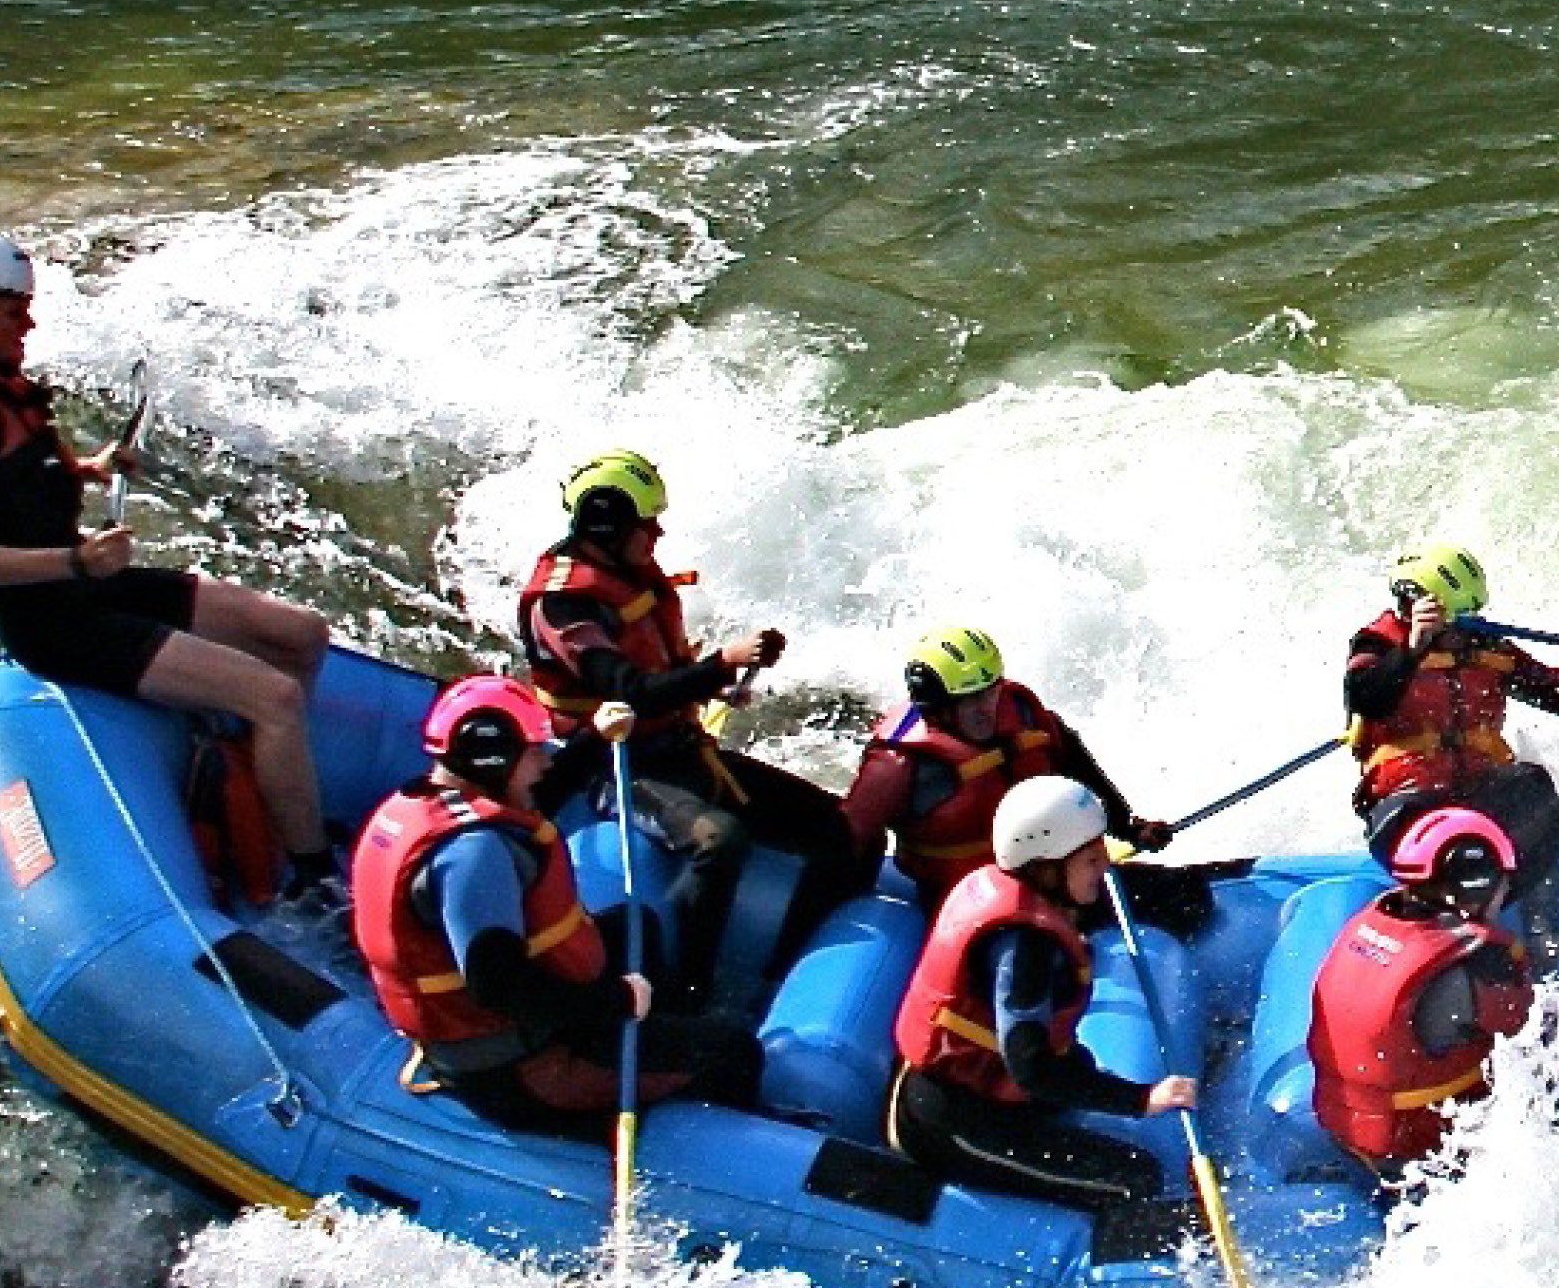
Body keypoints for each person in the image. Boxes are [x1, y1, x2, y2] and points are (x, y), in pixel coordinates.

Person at [0, 230, 342, 903]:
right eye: (13, 312)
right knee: (277, 696)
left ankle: (256, 768)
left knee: (301, 634)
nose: (28, 324)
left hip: (91, 585)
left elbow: (23, 479)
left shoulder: (3, 387)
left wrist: (91, 468)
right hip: (55, 623)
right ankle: (314, 883)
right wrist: (74, 559)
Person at [516, 448, 868, 1001]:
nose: (657, 532)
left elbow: (659, 675)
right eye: (646, 521)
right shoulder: (563, 605)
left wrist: (716, 682)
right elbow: (627, 690)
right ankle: (685, 989)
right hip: (615, 763)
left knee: (840, 832)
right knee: (719, 840)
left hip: (677, 746)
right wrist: (718, 666)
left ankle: (783, 978)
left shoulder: (626, 573)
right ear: (607, 522)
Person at [353, 674, 760, 1140]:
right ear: (494, 758)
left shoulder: (425, 806)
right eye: (532, 751)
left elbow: (544, 788)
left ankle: (660, 1032)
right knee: (732, 1052)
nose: (544, 761)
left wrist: (597, 736)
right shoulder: (474, 854)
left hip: (532, 1026)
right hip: (520, 1066)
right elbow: (500, 986)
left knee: (634, 925)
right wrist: (617, 1001)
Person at [887, 776, 1193, 1213]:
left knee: (1081, 1071)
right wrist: (1142, 1100)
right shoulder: (1024, 948)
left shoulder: (1019, 895)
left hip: (983, 1090)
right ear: (1047, 867)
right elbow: (1031, 1067)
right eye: (1090, 859)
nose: (1105, 866)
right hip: (954, 1120)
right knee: (1134, 1179)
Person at [1344, 544, 1559, 930]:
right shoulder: (1378, 646)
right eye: (1458, 619)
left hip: (1475, 795)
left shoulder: (1488, 650)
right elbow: (1367, 698)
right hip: (1409, 805)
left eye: (1471, 617)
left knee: (1529, 782)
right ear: (1417, 607)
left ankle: (1542, 928)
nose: (1467, 630)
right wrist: (1412, 650)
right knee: (1471, 857)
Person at [843, 624, 1215, 931]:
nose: (986, 711)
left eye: (990, 694)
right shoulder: (898, 766)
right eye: (970, 702)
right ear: (936, 708)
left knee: (1187, 898)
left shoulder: (1020, 711)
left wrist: (1129, 828)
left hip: (1055, 876)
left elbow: (1079, 767)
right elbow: (849, 843)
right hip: (970, 898)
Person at [1305, 803, 1559, 1176]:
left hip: (1348, 1133)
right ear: (1475, 885)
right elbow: (1537, 1033)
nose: (1507, 886)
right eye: (1500, 878)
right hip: (1419, 1154)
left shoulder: (1376, 918)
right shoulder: (1477, 964)